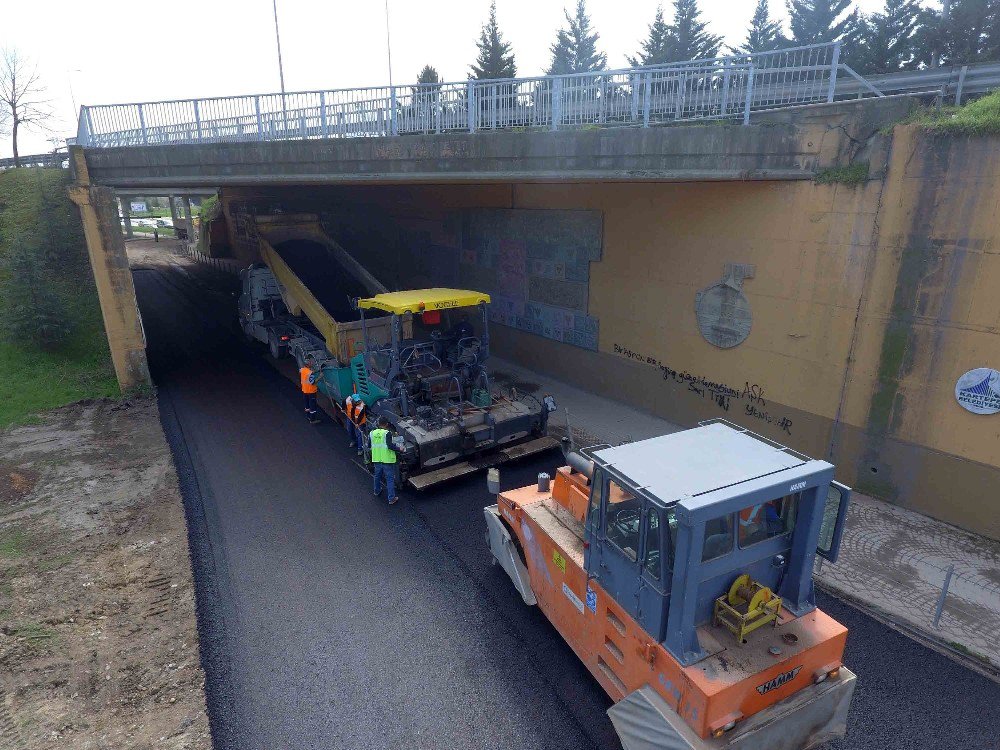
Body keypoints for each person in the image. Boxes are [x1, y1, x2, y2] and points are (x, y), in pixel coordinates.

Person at [369, 416, 399, 506]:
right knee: (389, 479)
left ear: (378, 424)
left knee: (377, 476)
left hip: (377, 459)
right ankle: (391, 498)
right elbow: (390, 446)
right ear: (386, 424)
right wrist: (400, 448)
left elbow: (369, 445)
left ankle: (376, 491)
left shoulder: (372, 433)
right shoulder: (387, 433)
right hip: (386, 460)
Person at [299, 356, 321, 424]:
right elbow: (313, 382)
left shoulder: (302, 370)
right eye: (311, 363)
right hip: (311, 391)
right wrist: (320, 377)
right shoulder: (310, 373)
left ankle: (308, 416)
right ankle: (313, 419)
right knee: (312, 405)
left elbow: (303, 373)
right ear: (308, 365)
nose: (312, 363)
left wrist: (313, 371)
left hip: (305, 390)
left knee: (307, 405)